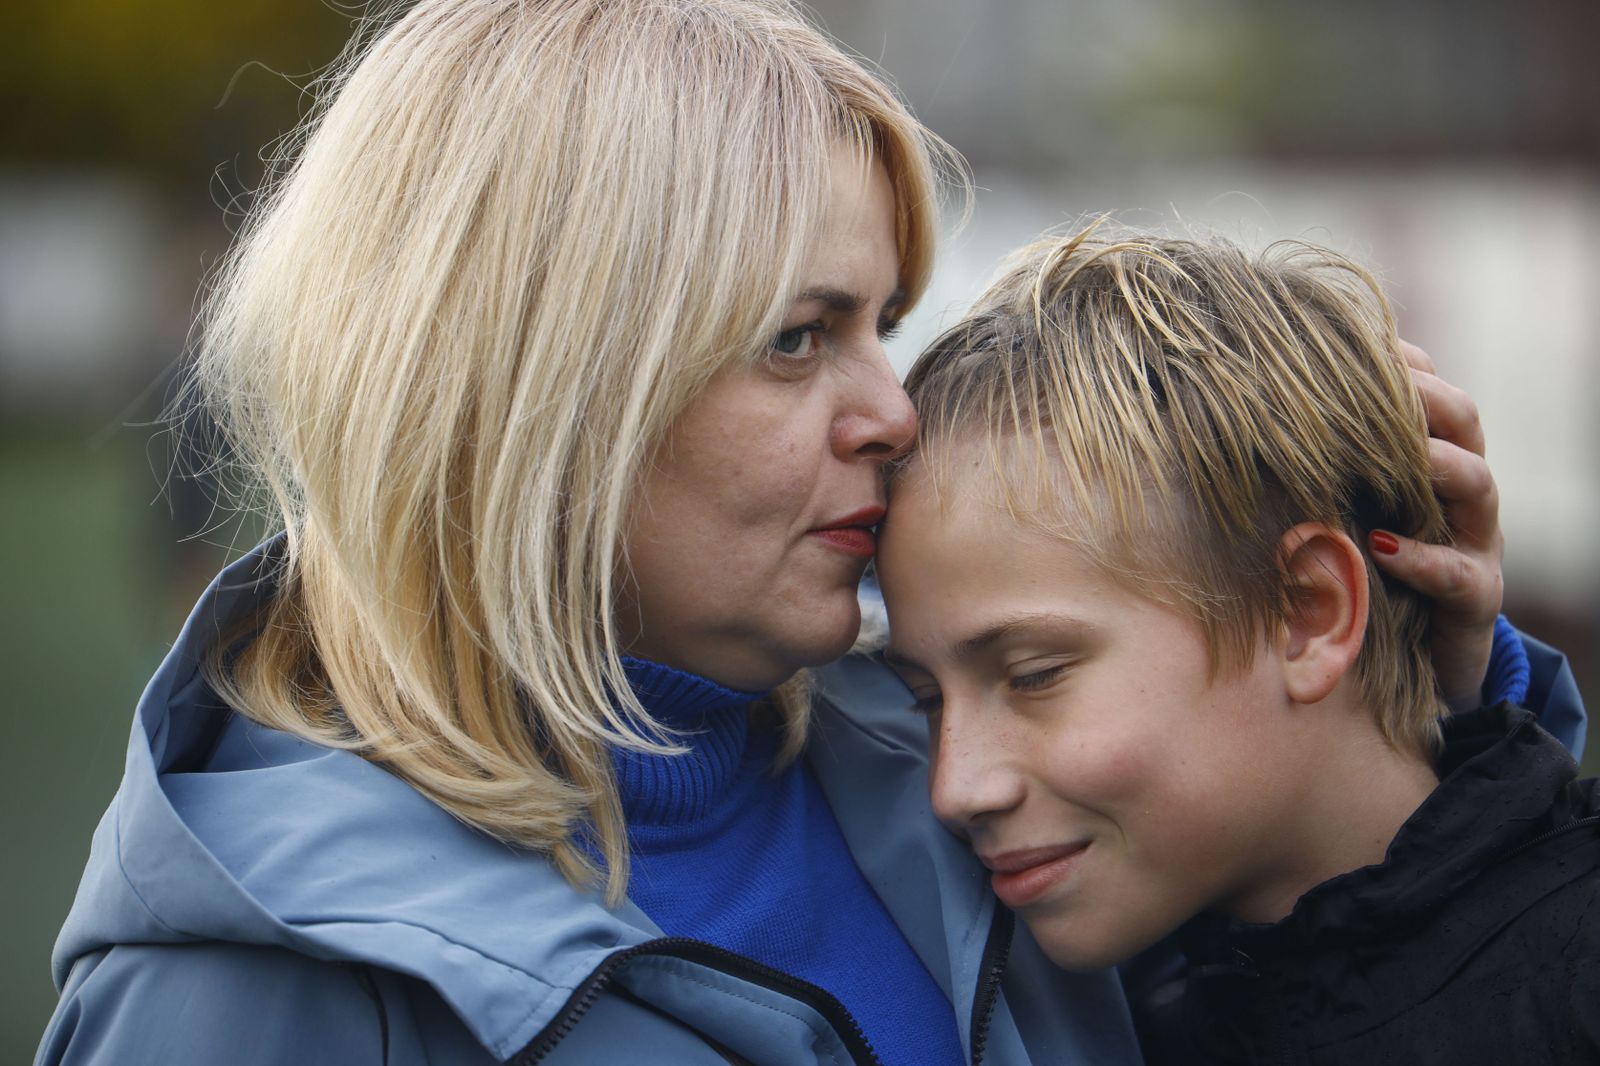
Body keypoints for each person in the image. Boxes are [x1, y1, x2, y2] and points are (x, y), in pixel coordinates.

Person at [35, 1, 1581, 1062]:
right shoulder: (251, 978)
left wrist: (1433, 723)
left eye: (885, 324)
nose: (892, 410)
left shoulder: (943, 767)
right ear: (538, 386)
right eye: (801, 336)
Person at [877, 226, 1598, 1064]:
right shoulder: (1127, 1015)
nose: (955, 788)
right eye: (925, 699)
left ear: (1309, 612)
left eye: (1034, 676)